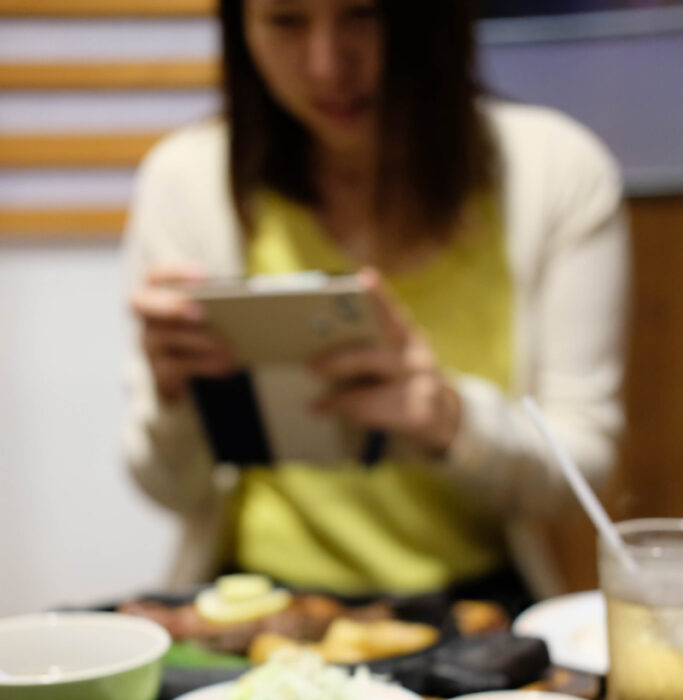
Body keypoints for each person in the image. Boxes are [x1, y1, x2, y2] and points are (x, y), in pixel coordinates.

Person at [123, 0, 629, 611]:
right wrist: (174, 401)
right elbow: (168, 490)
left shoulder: (557, 174)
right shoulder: (188, 180)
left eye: (365, 14)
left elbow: (581, 477)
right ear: (239, 27)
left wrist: (449, 418)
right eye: (286, 21)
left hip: (476, 607)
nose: (327, 64)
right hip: (257, 601)